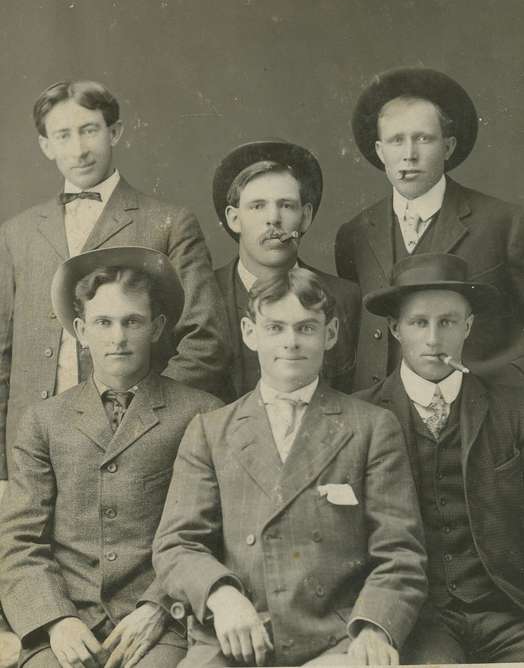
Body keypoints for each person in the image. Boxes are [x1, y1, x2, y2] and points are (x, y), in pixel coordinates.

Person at [152, 268, 427, 667]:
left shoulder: (370, 427)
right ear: (250, 332)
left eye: (306, 328)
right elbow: (177, 544)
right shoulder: (211, 431)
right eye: (275, 327)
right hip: (236, 637)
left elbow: (400, 552)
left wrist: (373, 626)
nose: (291, 343)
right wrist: (222, 597)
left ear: (330, 334)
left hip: (336, 637)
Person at [0, 79, 229, 493]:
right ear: (45, 145)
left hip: (136, 446)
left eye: (89, 130)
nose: (79, 149)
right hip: (32, 452)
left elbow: (206, 341)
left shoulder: (169, 222)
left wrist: (146, 418)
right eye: (63, 135)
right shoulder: (15, 235)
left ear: (115, 132)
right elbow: (1, 357)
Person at [0, 246, 222, 668]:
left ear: (156, 328)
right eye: (103, 323)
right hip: (65, 623)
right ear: (81, 331)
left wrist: (159, 606)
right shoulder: (44, 420)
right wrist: (55, 619)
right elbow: (19, 540)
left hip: (160, 624)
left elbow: (211, 532)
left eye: (131, 322)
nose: (117, 338)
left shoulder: (200, 413)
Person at [356, 252, 524, 663]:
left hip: (505, 609)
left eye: (447, 322)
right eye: (419, 323)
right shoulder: (360, 416)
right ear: (396, 329)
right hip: (419, 618)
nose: (433, 339)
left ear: (468, 326)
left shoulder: (512, 408)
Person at [335, 67, 524, 390]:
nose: (409, 155)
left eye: (423, 138)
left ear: (448, 147)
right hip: (380, 415)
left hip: (478, 414)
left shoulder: (505, 223)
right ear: (381, 152)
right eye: (396, 141)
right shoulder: (355, 234)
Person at [213, 139, 360, 399]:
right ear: (234, 219)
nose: (274, 218)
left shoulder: (345, 298)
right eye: (258, 206)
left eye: (286, 205)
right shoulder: (204, 296)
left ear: (305, 217)